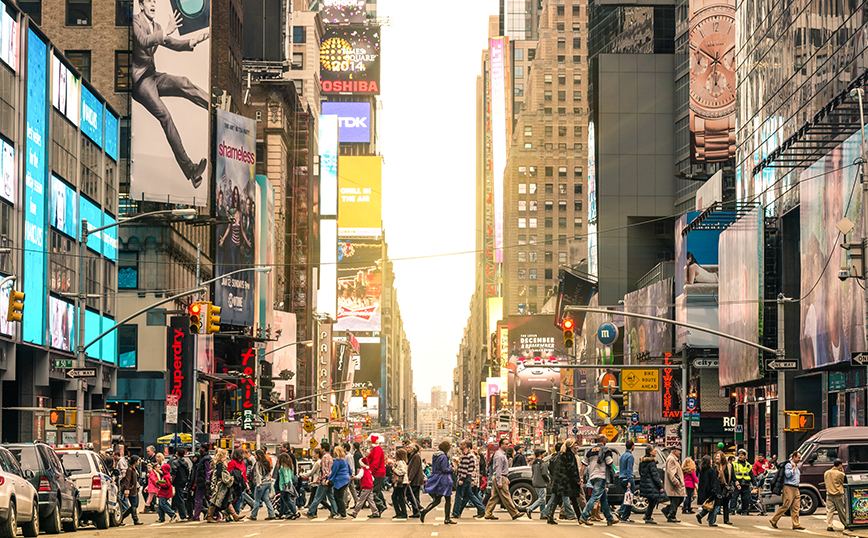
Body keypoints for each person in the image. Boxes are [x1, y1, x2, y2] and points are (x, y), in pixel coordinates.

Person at [132, 0, 209, 187]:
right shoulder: (134, 22)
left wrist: (192, 41)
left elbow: (172, 43)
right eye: (149, 1)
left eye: (154, 2)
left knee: (183, 82)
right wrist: (166, 30)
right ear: (141, 5)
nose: (153, 5)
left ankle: (214, 107)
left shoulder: (157, 26)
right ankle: (190, 169)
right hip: (140, 82)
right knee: (165, 116)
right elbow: (143, 41)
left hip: (153, 75)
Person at [578, 435, 618, 526]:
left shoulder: (590, 451)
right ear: (604, 440)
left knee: (604, 499)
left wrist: (581, 477)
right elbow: (609, 462)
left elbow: (583, 465)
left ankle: (610, 518)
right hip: (601, 476)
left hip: (592, 477)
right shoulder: (605, 450)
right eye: (606, 439)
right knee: (595, 497)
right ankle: (583, 517)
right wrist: (614, 471)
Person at [547, 439, 585, 526]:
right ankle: (580, 518)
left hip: (560, 480)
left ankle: (550, 516)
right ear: (571, 445)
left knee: (557, 498)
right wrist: (577, 480)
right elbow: (572, 469)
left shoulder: (561, 454)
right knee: (574, 499)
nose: (577, 447)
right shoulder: (569, 455)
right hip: (567, 481)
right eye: (575, 445)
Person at [483, 438, 523, 520]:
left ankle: (488, 513)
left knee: (494, 497)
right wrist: (499, 481)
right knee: (506, 496)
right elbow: (498, 469)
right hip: (500, 477)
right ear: (501, 445)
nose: (507, 445)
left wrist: (505, 478)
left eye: (508, 444)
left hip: (501, 477)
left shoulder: (502, 454)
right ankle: (514, 513)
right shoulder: (499, 455)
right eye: (506, 444)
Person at [420, 440, 456, 524]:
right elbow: (444, 469)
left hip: (437, 478)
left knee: (437, 500)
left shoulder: (436, 455)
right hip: (444, 479)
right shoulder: (443, 456)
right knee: (447, 499)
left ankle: (425, 511)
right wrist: (452, 468)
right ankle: (447, 518)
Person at [541, 442, 578, 521]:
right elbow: (570, 469)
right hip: (564, 481)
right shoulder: (565, 456)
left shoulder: (553, 457)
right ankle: (574, 515)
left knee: (555, 497)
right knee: (567, 498)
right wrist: (576, 479)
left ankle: (548, 514)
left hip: (557, 479)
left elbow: (551, 469)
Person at [770, 451, 804, 530]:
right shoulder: (789, 465)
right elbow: (788, 475)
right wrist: (793, 468)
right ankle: (774, 519)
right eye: (798, 457)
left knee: (796, 507)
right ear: (794, 457)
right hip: (788, 487)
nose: (800, 459)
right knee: (786, 505)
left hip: (796, 488)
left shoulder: (795, 465)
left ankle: (796, 524)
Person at [453, 441, 486, 519]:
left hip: (464, 478)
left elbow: (465, 468)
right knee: (470, 495)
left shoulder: (466, 455)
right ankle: (482, 509)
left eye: (461, 444)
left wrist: (461, 478)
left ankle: (455, 513)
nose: (460, 445)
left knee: (458, 496)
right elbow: (469, 467)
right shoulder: (470, 456)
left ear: (465, 445)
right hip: (468, 478)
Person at [208, 449, 241, 523]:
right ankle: (209, 516)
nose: (227, 457)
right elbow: (219, 474)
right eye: (226, 455)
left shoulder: (219, 463)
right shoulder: (220, 464)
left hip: (222, 486)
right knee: (215, 500)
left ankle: (235, 515)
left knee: (227, 500)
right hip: (220, 486)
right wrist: (226, 477)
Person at [306, 443, 338, 518]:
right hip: (329, 480)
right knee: (331, 497)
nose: (320, 449)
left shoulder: (324, 457)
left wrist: (323, 479)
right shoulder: (330, 457)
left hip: (325, 480)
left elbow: (324, 470)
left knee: (317, 497)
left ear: (323, 449)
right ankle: (335, 512)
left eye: (321, 447)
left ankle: (310, 512)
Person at [638, 445, 666, 524]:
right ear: (650, 452)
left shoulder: (642, 461)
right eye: (654, 450)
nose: (655, 452)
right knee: (653, 500)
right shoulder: (651, 462)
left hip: (645, 483)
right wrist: (660, 486)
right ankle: (648, 516)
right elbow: (655, 476)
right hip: (651, 484)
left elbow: (640, 472)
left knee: (651, 500)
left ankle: (647, 515)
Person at [249, 449, 277, 521]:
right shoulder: (267, 462)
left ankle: (253, 515)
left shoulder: (258, 464)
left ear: (258, 455)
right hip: (268, 482)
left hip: (261, 483)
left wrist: (258, 485)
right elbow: (268, 473)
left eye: (255, 455)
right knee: (267, 500)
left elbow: (258, 475)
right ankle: (272, 514)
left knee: (257, 500)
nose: (254, 456)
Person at [363, 436, 387, 513]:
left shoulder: (377, 450)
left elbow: (375, 463)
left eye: (369, 442)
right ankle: (380, 508)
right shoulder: (376, 449)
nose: (368, 444)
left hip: (377, 473)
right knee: (377, 491)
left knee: (372, 492)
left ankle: (380, 506)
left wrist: (370, 471)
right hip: (378, 473)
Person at [327, 446, 352, 519]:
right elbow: (349, 468)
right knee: (337, 496)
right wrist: (351, 474)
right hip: (346, 479)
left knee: (339, 497)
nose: (333, 452)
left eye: (334, 451)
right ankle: (338, 512)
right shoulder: (344, 460)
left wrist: (329, 479)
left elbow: (334, 471)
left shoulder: (337, 461)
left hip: (340, 480)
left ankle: (343, 514)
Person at [696, 455, 721, 526]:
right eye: (710, 460)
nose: (712, 461)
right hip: (711, 491)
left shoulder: (702, 470)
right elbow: (714, 481)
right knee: (714, 506)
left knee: (709, 506)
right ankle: (711, 521)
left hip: (705, 490)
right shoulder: (712, 471)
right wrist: (715, 490)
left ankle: (701, 516)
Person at [524, 448, 550, 519]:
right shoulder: (542, 463)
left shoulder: (534, 463)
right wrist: (548, 480)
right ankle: (530, 508)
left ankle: (543, 514)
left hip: (535, 482)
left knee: (542, 499)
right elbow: (544, 473)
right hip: (541, 482)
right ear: (540, 454)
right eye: (543, 454)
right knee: (542, 498)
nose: (544, 455)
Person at [663, 446, 686, 522]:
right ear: (674, 451)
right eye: (679, 451)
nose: (680, 452)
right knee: (676, 500)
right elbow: (671, 472)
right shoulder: (671, 459)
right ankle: (671, 515)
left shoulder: (674, 459)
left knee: (678, 499)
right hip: (674, 485)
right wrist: (675, 481)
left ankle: (667, 511)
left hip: (676, 485)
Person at [615, 439, 635, 522]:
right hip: (627, 479)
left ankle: (621, 512)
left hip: (621, 478)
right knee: (630, 498)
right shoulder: (630, 456)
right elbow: (629, 470)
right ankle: (624, 515)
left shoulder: (622, 455)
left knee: (626, 497)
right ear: (632, 446)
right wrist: (630, 481)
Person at [119, 455, 143, 525]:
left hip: (135, 489)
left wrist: (137, 487)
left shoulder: (135, 469)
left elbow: (136, 480)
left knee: (135, 505)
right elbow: (127, 480)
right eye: (138, 460)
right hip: (131, 489)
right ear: (135, 461)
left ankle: (122, 517)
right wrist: (126, 491)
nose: (139, 462)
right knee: (134, 505)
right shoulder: (130, 470)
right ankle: (135, 519)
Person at [191, 444, 212, 522]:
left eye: (202, 448)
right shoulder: (202, 458)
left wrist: (207, 480)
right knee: (208, 498)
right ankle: (217, 514)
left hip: (203, 481)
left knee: (199, 499)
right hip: (201, 481)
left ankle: (196, 516)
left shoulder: (205, 459)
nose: (200, 449)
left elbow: (207, 471)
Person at [824, 459, 847, 532]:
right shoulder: (840, 474)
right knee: (841, 511)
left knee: (830, 511)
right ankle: (845, 524)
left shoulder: (826, 473)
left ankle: (829, 525)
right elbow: (843, 482)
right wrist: (843, 473)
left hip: (829, 494)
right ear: (840, 465)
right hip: (838, 495)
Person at [733, 449, 757, 515]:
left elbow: (751, 475)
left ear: (745, 456)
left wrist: (754, 485)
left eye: (742, 455)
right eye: (739, 455)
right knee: (734, 497)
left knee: (745, 499)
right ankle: (732, 510)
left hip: (746, 484)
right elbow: (732, 474)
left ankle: (745, 511)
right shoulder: (734, 464)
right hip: (737, 483)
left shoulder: (748, 465)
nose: (740, 456)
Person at [276, 453, 299, 519]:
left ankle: (295, 512)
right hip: (290, 484)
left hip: (284, 486)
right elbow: (291, 476)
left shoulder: (282, 467)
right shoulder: (290, 467)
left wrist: (285, 484)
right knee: (282, 501)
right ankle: (280, 515)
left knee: (287, 501)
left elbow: (285, 476)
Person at [715, 450, 735, 525]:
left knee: (726, 503)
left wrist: (737, 484)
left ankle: (726, 519)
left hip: (726, 486)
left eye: (718, 456)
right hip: (717, 487)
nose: (716, 458)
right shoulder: (715, 466)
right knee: (714, 503)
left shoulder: (729, 466)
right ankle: (709, 518)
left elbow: (733, 476)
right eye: (716, 456)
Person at [170, 449, 189, 521]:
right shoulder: (185, 462)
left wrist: (172, 481)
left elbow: (174, 473)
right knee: (181, 497)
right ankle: (184, 513)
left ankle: (183, 515)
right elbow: (187, 472)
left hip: (177, 481)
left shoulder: (175, 462)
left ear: (177, 453)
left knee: (179, 498)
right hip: (183, 481)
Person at [391, 448, 409, 520]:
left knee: (396, 497)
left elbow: (403, 471)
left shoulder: (400, 462)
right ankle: (401, 512)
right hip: (403, 482)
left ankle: (402, 513)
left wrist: (394, 470)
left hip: (400, 482)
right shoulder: (403, 462)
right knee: (399, 497)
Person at [407, 444, 424, 517]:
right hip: (414, 480)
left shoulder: (416, 456)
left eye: (409, 448)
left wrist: (410, 479)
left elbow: (414, 469)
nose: (408, 449)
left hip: (415, 480)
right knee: (413, 495)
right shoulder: (413, 456)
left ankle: (419, 508)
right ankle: (416, 511)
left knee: (412, 495)